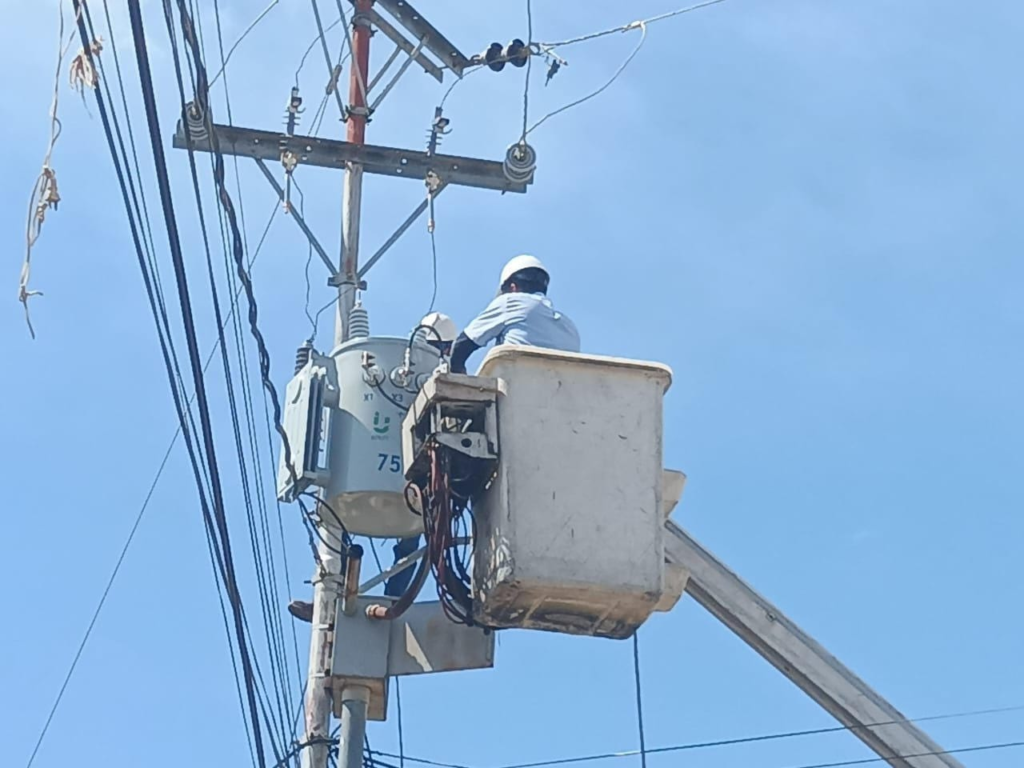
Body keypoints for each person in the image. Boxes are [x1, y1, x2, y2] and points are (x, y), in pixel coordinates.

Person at [287, 312, 460, 622]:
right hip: (402, 484)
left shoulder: (445, 376)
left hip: (416, 482)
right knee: (341, 525)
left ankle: (386, 601)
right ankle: (333, 598)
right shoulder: (429, 368)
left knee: (391, 536)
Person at [383, 311, 458, 598]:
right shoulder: (440, 374)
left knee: (411, 543)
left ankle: (390, 598)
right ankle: (391, 599)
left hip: (418, 473)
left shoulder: (418, 370)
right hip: (420, 475)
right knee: (415, 543)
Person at [449, 255, 580, 375]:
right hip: (561, 398)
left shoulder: (510, 302)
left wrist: (457, 372)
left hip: (515, 395)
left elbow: (462, 345)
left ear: (512, 288)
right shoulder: (570, 328)